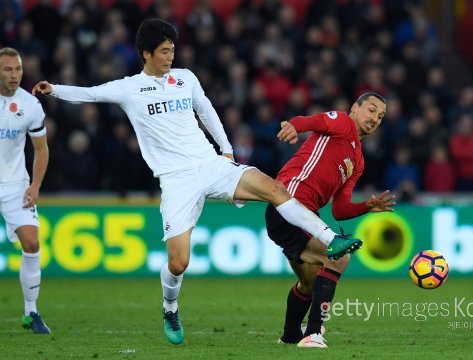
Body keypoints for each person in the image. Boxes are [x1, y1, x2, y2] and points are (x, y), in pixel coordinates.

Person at [31, 18, 362, 345]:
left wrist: (227, 149)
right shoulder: (129, 88)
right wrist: (54, 90)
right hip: (177, 181)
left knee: (277, 189)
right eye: (164, 50)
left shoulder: (185, 78)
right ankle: (170, 307)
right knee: (179, 263)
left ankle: (330, 237)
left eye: (172, 49)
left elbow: (206, 111)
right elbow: (89, 94)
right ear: (146, 53)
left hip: (210, 164)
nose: (170, 56)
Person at [266, 92, 395, 348]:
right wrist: (293, 126)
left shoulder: (358, 161)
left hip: (307, 216)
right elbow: (313, 121)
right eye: (371, 110)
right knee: (339, 256)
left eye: (380, 116)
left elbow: (340, 210)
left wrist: (366, 207)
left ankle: (291, 335)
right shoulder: (343, 123)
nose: (375, 118)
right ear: (354, 108)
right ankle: (313, 333)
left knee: (309, 282)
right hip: (289, 201)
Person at [0, 47, 50, 334]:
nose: (14, 74)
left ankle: (31, 312)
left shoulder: (30, 105)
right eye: (8, 69)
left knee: (32, 244)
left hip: (16, 185)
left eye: (17, 69)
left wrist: (35, 184)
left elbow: (41, 149)